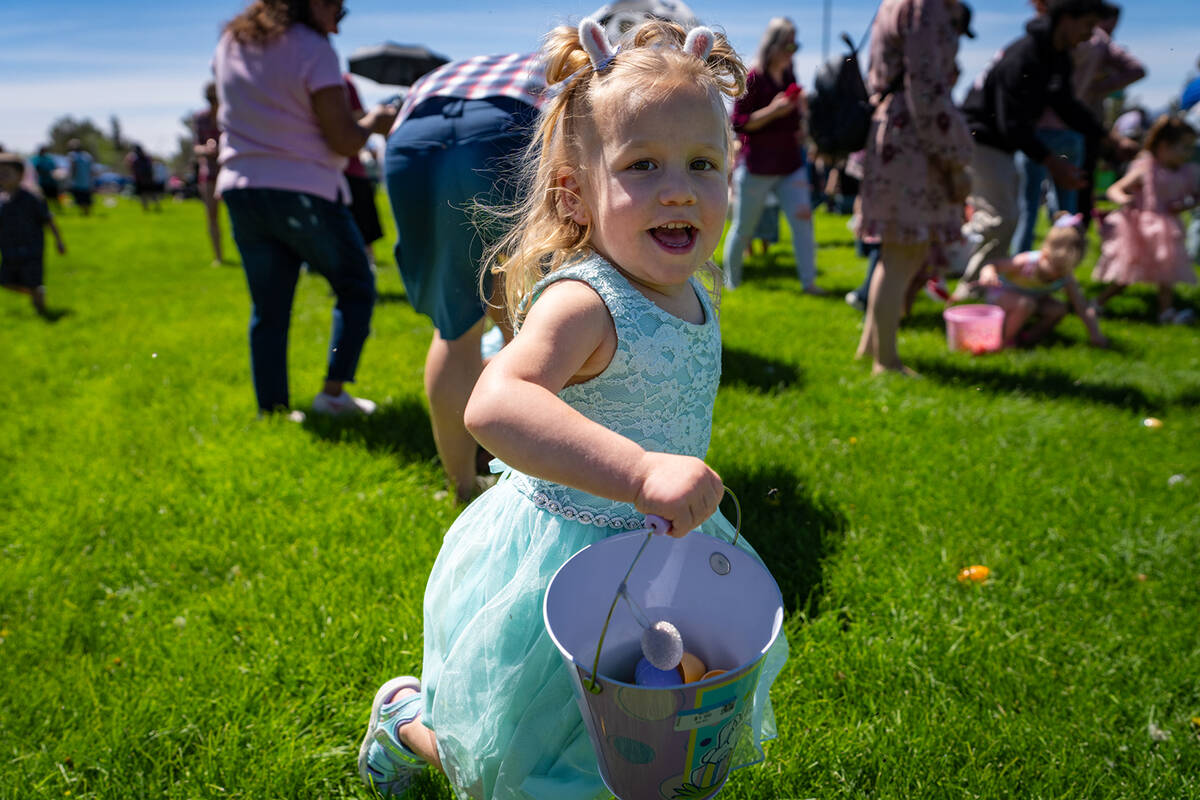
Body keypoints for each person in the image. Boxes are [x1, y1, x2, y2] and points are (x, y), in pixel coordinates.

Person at [358, 19, 787, 800]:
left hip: (655, 560)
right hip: (559, 561)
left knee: (634, 746)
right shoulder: (587, 301)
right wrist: (641, 470)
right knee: (510, 757)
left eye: (703, 163)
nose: (679, 188)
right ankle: (405, 724)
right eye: (641, 165)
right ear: (574, 195)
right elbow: (496, 402)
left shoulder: (693, 292)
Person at [383, 0, 698, 502]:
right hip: (504, 126)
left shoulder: (509, 62)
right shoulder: (601, 75)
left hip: (414, 135)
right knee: (543, 319)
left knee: (455, 327)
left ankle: (461, 484)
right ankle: (541, 476)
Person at [213, 0, 397, 417]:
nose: (337, 26)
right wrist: (374, 121)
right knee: (356, 286)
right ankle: (333, 394)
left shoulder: (231, 42)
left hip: (241, 188)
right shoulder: (312, 47)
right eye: (337, 11)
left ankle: (272, 410)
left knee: (269, 308)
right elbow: (343, 140)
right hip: (303, 188)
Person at [956, 0, 1137, 296]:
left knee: (1004, 217)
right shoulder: (1025, 55)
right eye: (1087, 25)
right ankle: (964, 280)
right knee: (1002, 218)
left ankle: (978, 286)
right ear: (1066, 18)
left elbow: (1066, 105)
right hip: (981, 138)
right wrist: (1053, 163)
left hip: (1002, 143)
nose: (1090, 35)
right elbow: (1011, 122)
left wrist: (1109, 138)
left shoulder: (1057, 57)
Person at [855, 0, 973, 375]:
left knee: (897, 253)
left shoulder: (894, 4)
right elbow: (926, 89)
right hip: (914, 142)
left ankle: (871, 348)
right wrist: (953, 160)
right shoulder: (924, 6)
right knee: (903, 254)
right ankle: (886, 361)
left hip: (896, 133)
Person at [721, 17, 824, 293]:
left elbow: (791, 122)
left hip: (790, 164)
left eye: (796, 46)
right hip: (758, 167)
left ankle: (809, 284)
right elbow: (738, 122)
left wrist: (800, 111)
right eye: (790, 45)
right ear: (774, 45)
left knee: (803, 225)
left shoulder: (789, 76)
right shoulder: (753, 77)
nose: (793, 51)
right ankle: (732, 283)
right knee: (744, 228)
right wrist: (773, 111)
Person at [1092, 115, 1199, 324]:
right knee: (1128, 274)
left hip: (1167, 229)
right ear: (1164, 145)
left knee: (1166, 271)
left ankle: (1165, 311)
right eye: (1184, 147)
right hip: (1142, 229)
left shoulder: (1186, 173)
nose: (1188, 153)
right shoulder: (1146, 169)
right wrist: (1124, 198)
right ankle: (1098, 302)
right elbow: (1115, 189)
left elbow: (1196, 196)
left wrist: (1185, 205)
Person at [956, 212, 1107, 348]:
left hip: (1032, 301)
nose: (1057, 274)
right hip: (1001, 296)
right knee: (1026, 304)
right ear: (1045, 253)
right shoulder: (1027, 262)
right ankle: (1004, 341)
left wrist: (1095, 333)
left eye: (1063, 270)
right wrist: (988, 273)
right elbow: (993, 264)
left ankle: (1028, 338)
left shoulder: (1065, 276)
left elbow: (1081, 306)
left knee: (1058, 309)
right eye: (1055, 267)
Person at [0, 152, 66, 316]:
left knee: (33, 281)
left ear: (20, 175)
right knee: (5, 281)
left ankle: (42, 309)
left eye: (6, 173)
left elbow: (48, 220)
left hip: (31, 250)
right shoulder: (2, 200)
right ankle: (35, 293)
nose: (2, 177)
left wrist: (59, 241)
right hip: (8, 250)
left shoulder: (32, 198)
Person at [342, 74, 385, 268]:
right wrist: (376, 116)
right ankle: (367, 265)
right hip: (350, 168)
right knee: (362, 229)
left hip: (317, 172)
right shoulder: (341, 81)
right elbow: (359, 121)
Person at [192, 82, 225, 265]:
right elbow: (196, 146)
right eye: (210, 99)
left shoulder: (229, 115)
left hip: (231, 171)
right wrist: (206, 149)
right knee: (212, 216)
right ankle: (218, 257)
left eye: (216, 98)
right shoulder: (201, 118)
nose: (214, 102)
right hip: (210, 172)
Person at [126, 144, 161, 212]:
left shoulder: (140, 160)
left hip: (144, 179)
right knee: (146, 194)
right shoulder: (143, 159)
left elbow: (133, 169)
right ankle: (147, 208)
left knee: (148, 194)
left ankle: (150, 207)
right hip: (144, 179)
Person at [66, 140, 94, 217]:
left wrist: (70, 179)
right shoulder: (87, 155)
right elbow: (91, 169)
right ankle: (86, 212)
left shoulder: (72, 155)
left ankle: (84, 213)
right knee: (86, 199)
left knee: (80, 198)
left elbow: (73, 168)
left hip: (77, 182)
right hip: (87, 182)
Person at [30, 146, 60, 211]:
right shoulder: (36, 159)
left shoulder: (49, 159)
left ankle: (58, 209)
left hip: (51, 181)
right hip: (42, 181)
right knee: (43, 198)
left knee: (54, 197)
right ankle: (45, 210)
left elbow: (54, 168)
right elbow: (35, 168)